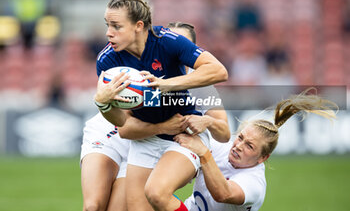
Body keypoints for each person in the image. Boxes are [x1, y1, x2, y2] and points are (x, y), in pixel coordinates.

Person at [81, 18, 229, 211]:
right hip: (113, 133)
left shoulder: (203, 88)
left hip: (142, 140)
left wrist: (206, 121)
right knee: (93, 206)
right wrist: (164, 127)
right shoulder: (150, 82)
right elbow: (126, 128)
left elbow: (224, 133)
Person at [173, 89, 337, 211]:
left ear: (262, 158)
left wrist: (202, 154)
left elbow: (223, 193)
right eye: (241, 137)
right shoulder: (223, 147)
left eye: (249, 146)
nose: (238, 146)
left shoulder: (254, 184)